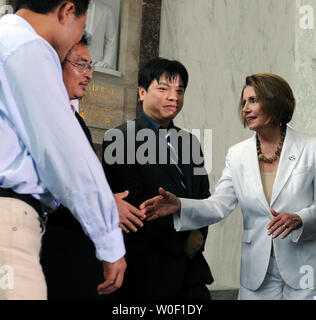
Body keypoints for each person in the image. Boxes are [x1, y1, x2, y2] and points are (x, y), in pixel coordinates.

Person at [141, 73, 316, 300]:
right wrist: (179, 205)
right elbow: (218, 206)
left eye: (253, 100)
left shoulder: (311, 148)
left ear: (275, 100)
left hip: (304, 268)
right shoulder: (237, 154)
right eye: (243, 102)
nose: (245, 108)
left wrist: (301, 218)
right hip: (257, 272)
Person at [0, 0, 126, 300]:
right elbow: (66, 156)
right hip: (9, 221)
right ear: (67, 11)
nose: (75, 39)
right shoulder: (29, 47)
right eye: (81, 27)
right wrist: (109, 241)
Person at [40, 35, 144, 300]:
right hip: (50, 249)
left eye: (91, 67)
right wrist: (106, 205)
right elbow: (50, 188)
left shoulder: (78, 122)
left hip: (80, 252)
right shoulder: (41, 117)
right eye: (81, 65)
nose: (89, 75)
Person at [102, 58, 213, 300]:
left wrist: (197, 236)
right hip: (147, 273)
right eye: (163, 89)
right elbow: (135, 205)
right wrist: (183, 239)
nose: (173, 97)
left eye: (179, 90)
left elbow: (205, 198)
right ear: (142, 92)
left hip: (192, 272)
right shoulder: (120, 139)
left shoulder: (190, 142)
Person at [85, 0, 118, 70]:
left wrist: (106, 62)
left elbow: (111, 39)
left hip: (96, 65)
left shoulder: (107, 11)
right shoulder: (68, 9)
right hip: (71, 64)